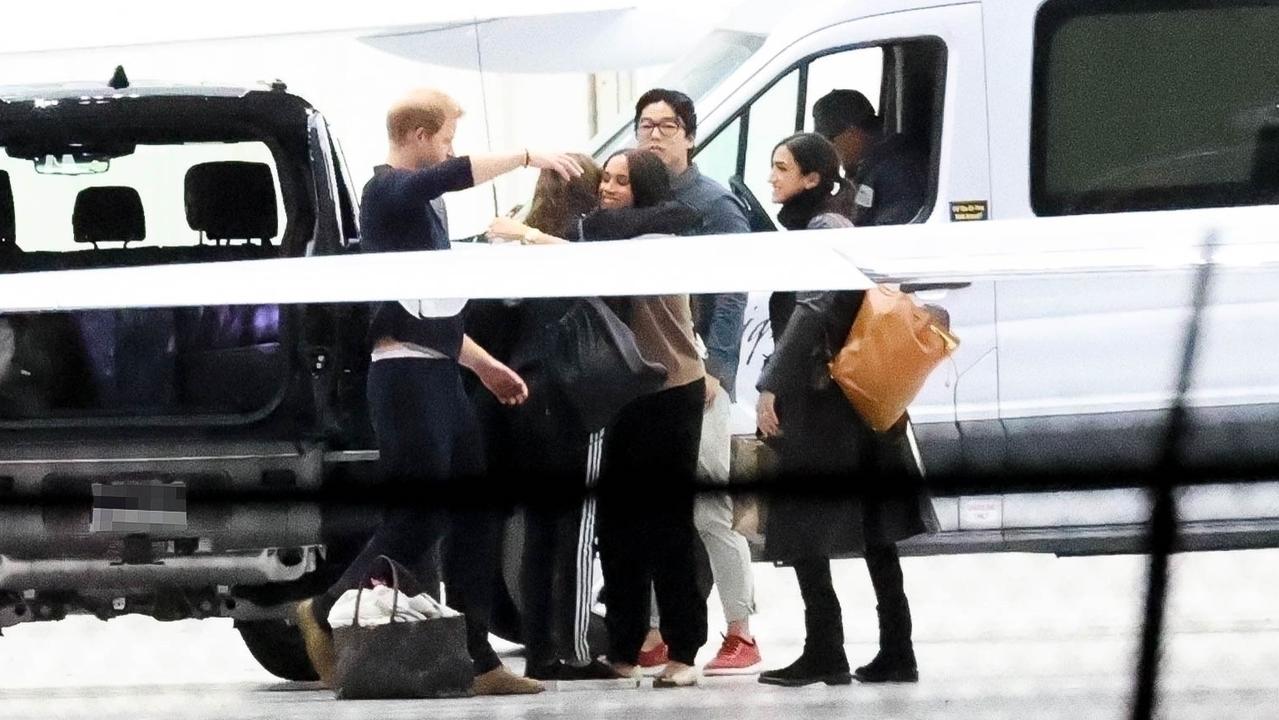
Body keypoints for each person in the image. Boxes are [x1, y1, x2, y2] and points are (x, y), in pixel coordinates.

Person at [293, 87, 582, 697]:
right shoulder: (385, 193)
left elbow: (433, 310)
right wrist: (528, 155)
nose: (452, 150)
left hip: (440, 375)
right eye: (448, 137)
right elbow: (445, 180)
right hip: (403, 380)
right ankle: (324, 611)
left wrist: (483, 366)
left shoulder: (424, 215)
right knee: (418, 515)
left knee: (474, 513)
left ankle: (479, 660)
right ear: (420, 137)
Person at [489, 149, 708, 688]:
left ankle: (684, 650)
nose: (608, 187)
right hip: (620, 392)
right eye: (605, 178)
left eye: (621, 181)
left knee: (667, 522)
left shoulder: (654, 238)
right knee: (617, 527)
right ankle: (625, 648)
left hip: (671, 389)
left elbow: (616, 245)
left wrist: (530, 237)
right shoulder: (603, 228)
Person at [753, 132, 937, 687]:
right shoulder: (831, 224)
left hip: (824, 403)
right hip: (853, 399)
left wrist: (769, 385)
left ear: (812, 177)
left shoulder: (823, 231)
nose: (772, 178)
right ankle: (893, 651)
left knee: (806, 524)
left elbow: (812, 311)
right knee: (871, 527)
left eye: (781, 168)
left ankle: (827, 651)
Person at [632, 88, 763, 675]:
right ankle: (657, 633)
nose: (654, 134)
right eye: (644, 125)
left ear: (689, 135)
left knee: (708, 508)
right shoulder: (634, 197)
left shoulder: (714, 204)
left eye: (667, 125)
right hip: (650, 383)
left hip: (701, 376)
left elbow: (733, 289)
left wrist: (717, 368)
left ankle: (741, 631)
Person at [477, 155, 621, 681]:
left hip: (520, 389)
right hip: (572, 392)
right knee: (575, 529)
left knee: (539, 532)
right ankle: (574, 648)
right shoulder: (590, 235)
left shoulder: (512, 238)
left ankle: (539, 650)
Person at [811, 89, 928, 227]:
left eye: (829, 140)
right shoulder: (873, 167)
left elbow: (887, 235)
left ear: (852, 132)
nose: (829, 150)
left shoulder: (897, 173)